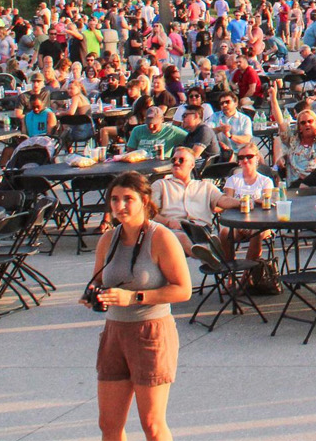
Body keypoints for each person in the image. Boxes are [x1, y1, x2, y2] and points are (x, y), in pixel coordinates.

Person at [87, 172, 191, 441]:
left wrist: (133, 297)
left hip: (151, 333)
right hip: (115, 333)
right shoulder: (107, 240)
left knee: (152, 425)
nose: (120, 206)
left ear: (145, 200)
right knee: (108, 424)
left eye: (128, 199)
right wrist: (94, 296)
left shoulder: (161, 238)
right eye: (114, 199)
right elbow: (99, 281)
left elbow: (183, 290)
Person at [150, 147, 238, 244]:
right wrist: (168, 222)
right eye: (173, 160)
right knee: (180, 237)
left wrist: (243, 202)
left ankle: (206, 254)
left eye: (181, 160)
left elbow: (224, 201)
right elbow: (151, 213)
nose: (176, 162)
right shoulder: (161, 185)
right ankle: (207, 256)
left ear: (192, 164)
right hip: (172, 230)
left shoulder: (205, 187)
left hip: (200, 230)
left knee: (218, 236)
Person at [267, 84, 316, 193]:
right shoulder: (293, 141)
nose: (307, 125)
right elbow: (281, 123)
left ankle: (303, 189)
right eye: (303, 123)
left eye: (310, 121)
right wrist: (273, 100)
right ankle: (302, 189)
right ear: (299, 128)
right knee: (299, 183)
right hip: (297, 182)